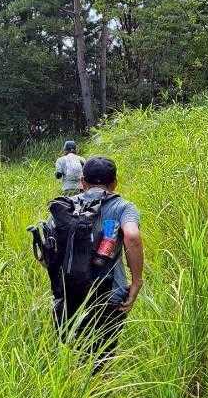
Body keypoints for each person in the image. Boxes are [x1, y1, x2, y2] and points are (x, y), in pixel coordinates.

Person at [54, 155, 144, 367]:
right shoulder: (123, 207)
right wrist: (137, 281)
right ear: (115, 183)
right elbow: (132, 236)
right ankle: (101, 385)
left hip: (69, 292)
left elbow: (47, 248)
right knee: (102, 358)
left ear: (82, 182)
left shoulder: (64, 206)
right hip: (110, 294)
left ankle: (75, 384)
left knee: (72, 355)